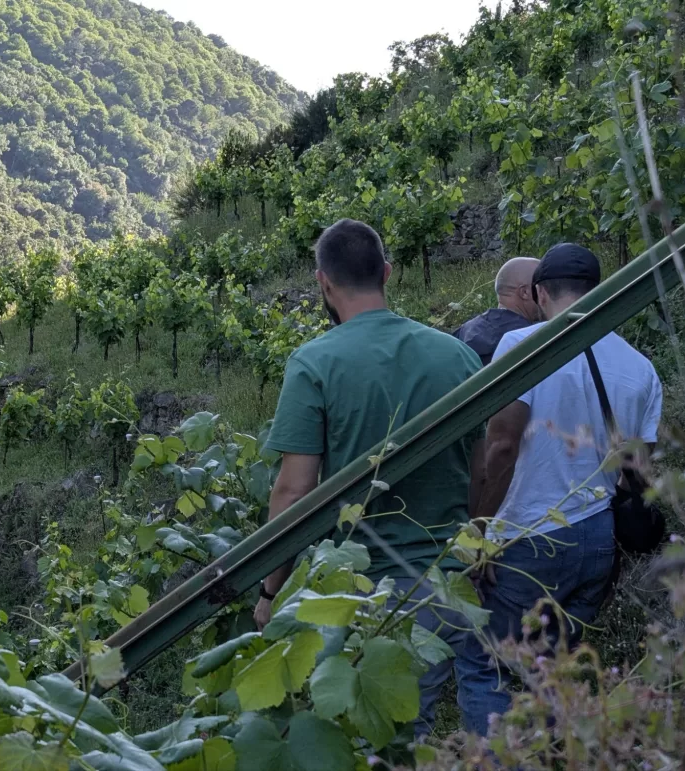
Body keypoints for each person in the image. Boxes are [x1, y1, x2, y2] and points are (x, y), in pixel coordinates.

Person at [254, 218, 485, 735]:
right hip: (448, 584)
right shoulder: (458, 355)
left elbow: (293, 490)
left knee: (376, 742)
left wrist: (271, 590)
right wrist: (475, 542)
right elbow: (484, 463)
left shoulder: (314, 363)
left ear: (323, 283)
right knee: (413, 732)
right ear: (387, 272)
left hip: (358, 595)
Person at [455, 243, 663, 736]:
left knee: (487, 662)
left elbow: (501, 447)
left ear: (539, 293)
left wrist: (478, 534)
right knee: (553, 669)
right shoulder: (640, 368)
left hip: (530, 534)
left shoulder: (522, 346)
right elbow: (639, 472)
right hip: (597, 541)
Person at [452, 257, 542, 366]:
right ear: (525, 292)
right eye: (541, 288)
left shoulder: (464, 331)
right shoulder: (529, 338)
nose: (546, 295)